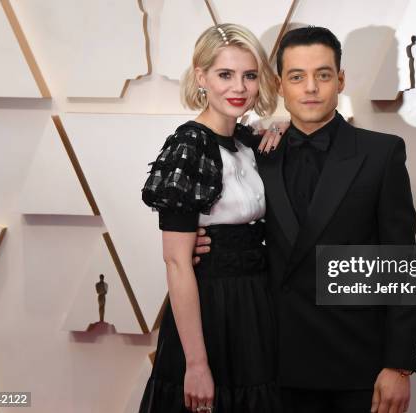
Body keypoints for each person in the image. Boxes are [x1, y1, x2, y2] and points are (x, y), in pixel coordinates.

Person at [195, 26, 416, 413]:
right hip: (275, 361)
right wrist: (203, 242)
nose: (311, 88)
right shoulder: (255, 153)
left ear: (341, 80)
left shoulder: (381, 154)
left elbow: (400, 261)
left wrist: (398, 364)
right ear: (280, 85)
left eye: (323, 74)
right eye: (297, 77)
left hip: (358, 363)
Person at [139, 23, 286, 413]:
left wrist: (283, 124)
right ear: (201, 77)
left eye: (249, 75)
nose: (239, 88)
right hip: (212, 309)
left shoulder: (247, 141)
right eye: (225, 75)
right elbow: (176, 262)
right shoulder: (189, 146)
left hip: (256, 305)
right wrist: (197, 364)